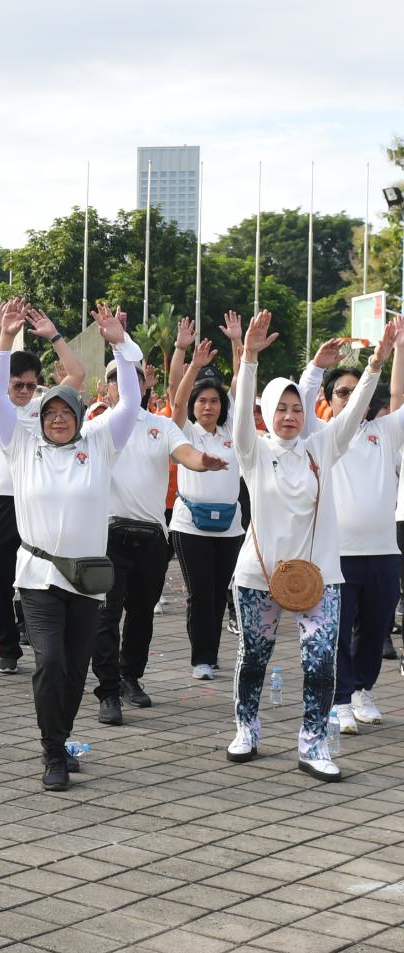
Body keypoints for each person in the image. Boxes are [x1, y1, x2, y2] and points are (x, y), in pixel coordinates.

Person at [227, 311, 392, 782]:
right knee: (253, 658)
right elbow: (240, 413)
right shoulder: (253, 451)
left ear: (309, 413)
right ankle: (247, 729)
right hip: (258, 576)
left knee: (320, 663)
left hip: (321, 577)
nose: (290, 416)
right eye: (281, 408)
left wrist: (377, 362)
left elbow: (356, 408)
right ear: (268, 411)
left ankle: (313, 743)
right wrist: (250, 357)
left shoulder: (322, 448)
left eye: (297, 409)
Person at [0, 301, 139, 791]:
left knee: (75, 669)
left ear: (76, 414)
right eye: (47, 412)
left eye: (63, 411)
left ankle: (63, 735)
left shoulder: (98, 444)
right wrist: (4, 341)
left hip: (88, 577)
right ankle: (52, 751)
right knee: (49, 661)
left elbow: (131, 403)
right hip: (39, 577)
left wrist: (119, 343)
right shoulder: (22, 446)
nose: (55, 418)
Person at [90, 345, 227, 725]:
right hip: (109, 534)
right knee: (106, 614)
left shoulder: (160, 425)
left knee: (141, 616)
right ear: (107, 388)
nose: (125, 385)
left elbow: (186, 453)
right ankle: (108, 691)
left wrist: (204, 462)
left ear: (143, 385)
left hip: (151, 536)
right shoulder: (97, 425)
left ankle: (130, 676)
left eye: (132, 378)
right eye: (117, 379)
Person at [0, 305, 85, 674]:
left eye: (29, 384)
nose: (24, 392)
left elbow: (78, 375)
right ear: (3, 383)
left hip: (38, 503)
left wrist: (54, 336)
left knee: (39, 575)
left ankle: (37, 634)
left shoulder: (44, 406)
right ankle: (6, 646)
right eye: (16, 385)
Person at [321, 321, 404, 734]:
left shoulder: (385, 432)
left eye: (358, 392)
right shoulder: (323, 435)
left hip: (384, 552)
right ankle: (339, 699)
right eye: (342, 393)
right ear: (330, 401)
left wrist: (398, 350)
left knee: (375, 629)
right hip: (337, 554)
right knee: (336, 633)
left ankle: (361, 690)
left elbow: (399, 398)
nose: (352, 399)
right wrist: (320, 368)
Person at [169, 343, 244, 682]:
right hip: (190, 527)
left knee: (218, 592)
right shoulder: (184, 432)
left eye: (214, 401)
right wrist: (193, 367)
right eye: (202, 401)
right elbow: (176, 401)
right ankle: (201, 658)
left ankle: (212, 656)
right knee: (200, 593)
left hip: (230, 527)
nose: (208, 406)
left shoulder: (232, 433)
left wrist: (238, 347)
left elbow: (243, 387)